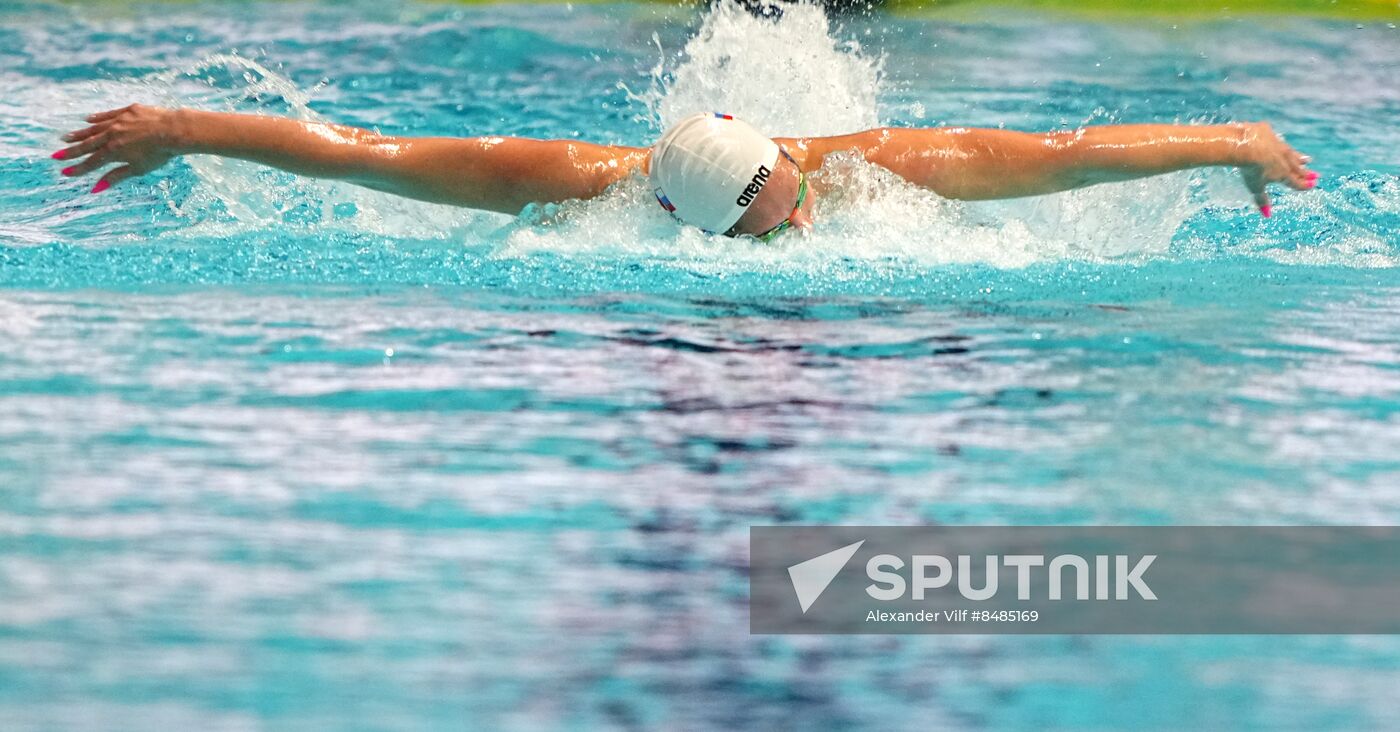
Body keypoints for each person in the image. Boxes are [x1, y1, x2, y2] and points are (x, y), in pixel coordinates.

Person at [52, 104, 1316, 240]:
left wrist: (1237, 141)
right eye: (764, 229)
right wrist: (182, 127)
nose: (797, 221)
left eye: (789, 198)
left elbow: (1066, 157)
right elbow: (367, 158)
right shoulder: (567, 185)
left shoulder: (881, 174)